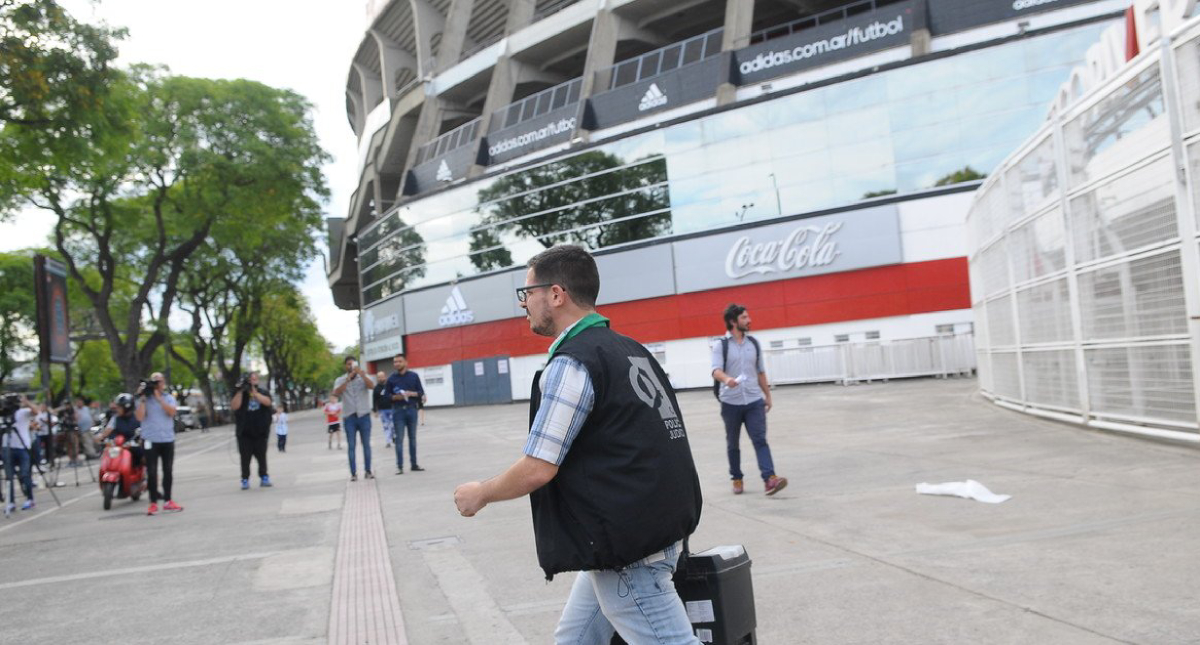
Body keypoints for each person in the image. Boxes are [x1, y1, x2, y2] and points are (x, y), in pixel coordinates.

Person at [454, 245, 703, 645]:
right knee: (575, 640)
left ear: (556, 294)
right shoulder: (630, 349)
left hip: (628, 545)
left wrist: (480, 494)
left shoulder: (574, 362)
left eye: (527, 293)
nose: (524, 304)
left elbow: (539, 466)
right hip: (646, 528)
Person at [711, 303, 788, 496]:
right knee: (733, 443)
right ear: (732, 321)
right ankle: (736, 477)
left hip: (754, 400)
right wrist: (726, 379)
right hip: (730, 402)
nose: (749, 320)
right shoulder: (721, 345)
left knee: (760, 439)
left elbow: (760, 371)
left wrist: (768, 396)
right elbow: (715, 370)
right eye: (744, 317)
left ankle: (770, 479)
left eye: (748, 317)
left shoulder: (754, 343)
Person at [136, 372, 183, 515]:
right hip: (150, 439)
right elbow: (139, 416)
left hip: (167, 439)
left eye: (160, 381)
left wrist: (159, 399)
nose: (158, 384)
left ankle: (168, 500)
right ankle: (153, 502)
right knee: (151, 471)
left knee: (168, 470)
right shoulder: (143, 399)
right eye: (155, 382)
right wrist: (143, 398)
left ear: (164, 383)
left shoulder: (168, 398)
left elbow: (172, 412)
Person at [332, 356, 375, 482]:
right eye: (348, 364)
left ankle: (368, 471)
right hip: (349, 417)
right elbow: (336, 393)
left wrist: (362, 374)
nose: (351, 366)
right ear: (345, 366)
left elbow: (372, 386)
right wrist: (347, 380)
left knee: (366, 444)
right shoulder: (340, 379)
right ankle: (353, 473)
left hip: (364, 416)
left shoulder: (363, 377)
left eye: (353, 364)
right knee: (351, 446)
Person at [232, 371, 273, 490]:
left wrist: (255, 393)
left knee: (261, 455)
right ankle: (245, 479)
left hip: (260, 431)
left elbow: (267, 402)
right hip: (244, 432)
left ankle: (264, 476)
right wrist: (240, 391)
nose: (253, 381)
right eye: (251, 379)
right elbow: (235, 406)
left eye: (255, 379)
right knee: (245, 457)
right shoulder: (240, 393)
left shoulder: (262, 391)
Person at [386, 353, 424, 474]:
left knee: (412, 438)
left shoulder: (414, 376)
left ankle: (414, 464)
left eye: (399, 361)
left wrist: (411, 394)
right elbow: (387, 396)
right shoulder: (391, 379)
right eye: (395, 362)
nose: (397, 364)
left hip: (412, 409)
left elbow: (420, 393)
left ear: (405, 363)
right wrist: (397, 397)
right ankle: (400, 466)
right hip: (398, 411)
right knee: (399, 439)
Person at [2, 395, 40, 512]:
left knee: (24, 474)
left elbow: (35, 411)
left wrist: (26, 402)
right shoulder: (3, 415)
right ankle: (11, 502)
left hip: (22, 447)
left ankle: (30, 499)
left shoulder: (23, 412)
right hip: (7, 448)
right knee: (9, 477)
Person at [372, 371, 393, 448]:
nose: (381, 378)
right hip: (382, 410)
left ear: (385, 377)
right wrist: (375, 411)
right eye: (379, 377)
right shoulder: (376, 388)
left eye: (382, 376)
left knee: (393, 425)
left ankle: (393, 437)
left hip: (392, 408)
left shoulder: (390, 385)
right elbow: (374, 400)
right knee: (386, 426)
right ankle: (388, 441)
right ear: (377, 378)